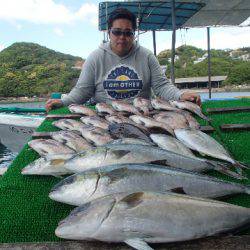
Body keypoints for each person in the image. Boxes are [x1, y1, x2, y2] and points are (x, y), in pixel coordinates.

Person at [46, 8, 201, 112]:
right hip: (105, 116)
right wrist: (64, 102)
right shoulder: (95, 58)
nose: (122, 37)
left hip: (143, 115)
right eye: (117, 32)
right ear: (109, 33)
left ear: (134, 34)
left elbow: (162, 86)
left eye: (128, 33)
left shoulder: (147, 56)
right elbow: (82, 91)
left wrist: (181, 95)